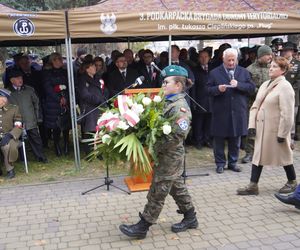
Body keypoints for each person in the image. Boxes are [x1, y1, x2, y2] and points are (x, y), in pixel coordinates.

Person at [119, 65, 198, 239]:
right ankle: (190, 217)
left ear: (178, 85)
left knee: (158, 190)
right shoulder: (167, 101)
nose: (162, 84)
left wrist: (151, 146)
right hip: (164, 155)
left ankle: (143, 226)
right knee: (176, 187)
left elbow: (178, 135)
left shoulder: (179, 107)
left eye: (166, 82)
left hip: (170, 156)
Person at [237, 57, 297, 195]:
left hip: (275, 130)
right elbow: (255, 106)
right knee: (258, 157)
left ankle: (292, 181)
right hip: (261, 129)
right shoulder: (265, 84)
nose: (271, 68)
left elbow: (287, 114)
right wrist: (251, 125)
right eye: (271, 66)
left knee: (284, 156)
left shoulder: (285, 87)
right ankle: (253, 185)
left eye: (275, 67)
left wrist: (282, 134)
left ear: (283, 70)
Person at [207, 48, 255, 174]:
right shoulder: (214, 73)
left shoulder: (243, 72)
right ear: (223, 59)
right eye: (229, 60)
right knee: (219, 140)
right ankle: (220, 164)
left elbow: (251, 88)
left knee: (235, 138)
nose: (231, 63)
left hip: (238, 111)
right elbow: (207, 90)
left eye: (234, 60)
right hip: (221, 111)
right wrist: (217, 88)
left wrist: (238, 84)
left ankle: (233, 163)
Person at [7, 70, 47, 163]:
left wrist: (37, 117)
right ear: (12, 80)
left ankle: (41, 157)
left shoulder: (29, 89)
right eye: (17, 79)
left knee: (36, 139)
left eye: (21, 78)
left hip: (30, 119)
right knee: (18, 140)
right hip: (16, 121)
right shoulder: (7, 92)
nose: (20, 80)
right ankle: (22, 159)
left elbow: (36, 103)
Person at [241, 45, 273, 163]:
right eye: (267, 55)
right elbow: (248, 87)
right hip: (253, 104)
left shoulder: (272, 68)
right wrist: (260, 93)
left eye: (270, 54)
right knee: (252, 130)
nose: (270, 57)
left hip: (270, 104)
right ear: (261, 55)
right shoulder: (249, 69)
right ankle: (249, 153)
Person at [42, 52, 70, 156]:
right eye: (58, 59)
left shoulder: (65, 72)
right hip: (53, 103)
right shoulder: (47, 73)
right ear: (53, 61)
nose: (61, 61)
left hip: (65, 100)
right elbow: (48, 88)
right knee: (56, 126)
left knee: (66, 125)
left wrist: (66, 97)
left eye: (61, 59)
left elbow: (69, 84)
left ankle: (67, 145)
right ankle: (57, 146)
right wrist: (59, 99)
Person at [77, 59, 106, 154]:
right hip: (89, 107)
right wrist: (97, 100)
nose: (95, 68)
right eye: (92, 66)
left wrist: (103, 98)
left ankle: (99, 151)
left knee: (99, 130)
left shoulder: (97, 78)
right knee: (89, 131)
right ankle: (88, 152)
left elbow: (103, 91)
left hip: (98, 107)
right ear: (87, 69)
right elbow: (84, 94)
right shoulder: (82, 79)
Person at [191, 50, 212, 149]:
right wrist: (194, 102)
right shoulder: (195, 70)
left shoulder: (213, 69)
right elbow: (193, 88)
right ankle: (198, 140)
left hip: (211, 100)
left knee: (208, 122)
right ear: (198, 58)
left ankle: (206, 139)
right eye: (201, 57)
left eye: (206, 57)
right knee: (198, 122)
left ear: (209, 58)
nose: (204, 59)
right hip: (199, 99)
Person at [0, 88, 22, 179]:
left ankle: (10, 170)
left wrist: (9, 135)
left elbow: (18, 125)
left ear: (4, 99)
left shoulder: (14, 108)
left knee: (7, 147)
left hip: (10, 136)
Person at [281, 42, 300, 143]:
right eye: (284, 50)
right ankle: (282, 135)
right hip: (280, 93)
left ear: (292, 52)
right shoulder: (280, 62)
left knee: (292, 116)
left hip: (293, 94)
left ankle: (291, 137)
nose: (285, 52)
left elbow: (298, 80)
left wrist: (289, 90)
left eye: (287, 50)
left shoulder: (297, 64)